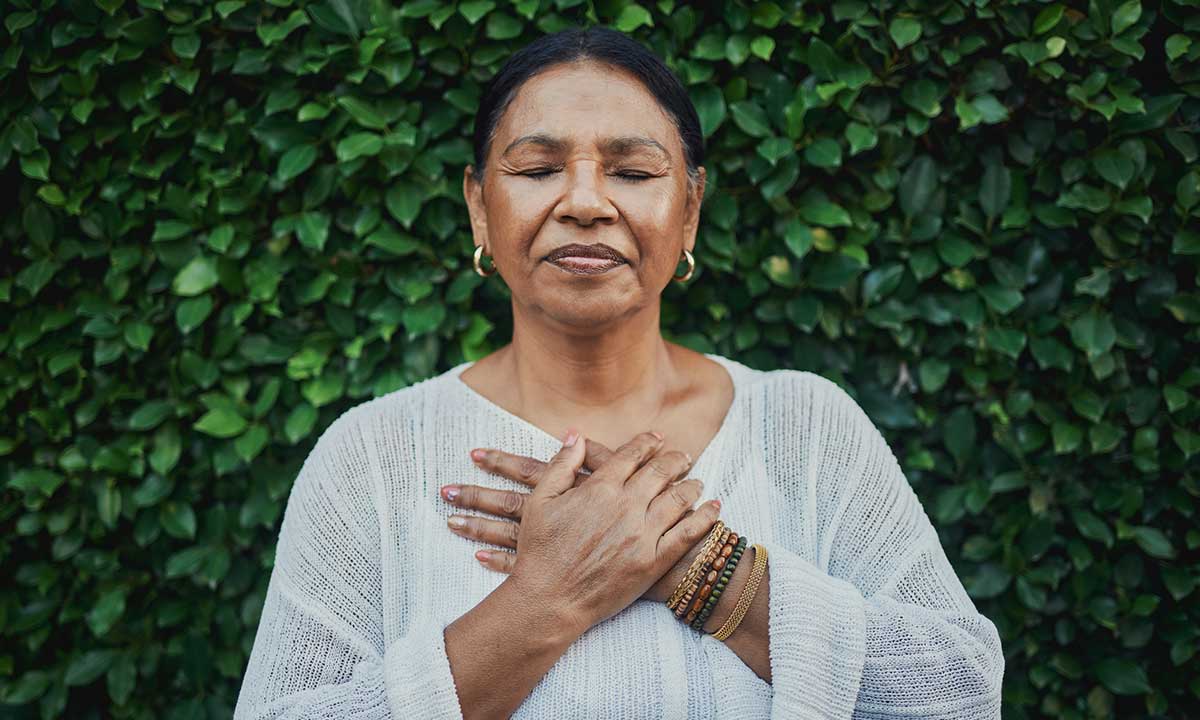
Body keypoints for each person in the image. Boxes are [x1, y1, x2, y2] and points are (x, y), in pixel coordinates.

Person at [233, 25, 1004, 719]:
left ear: (691, 210)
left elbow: (960, 694)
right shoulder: (370, 458)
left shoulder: (803, 428)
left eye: (633, 173)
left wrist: (701, 568)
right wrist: (548, 597)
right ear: (478, 207)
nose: (585, 201)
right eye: (537, 167)